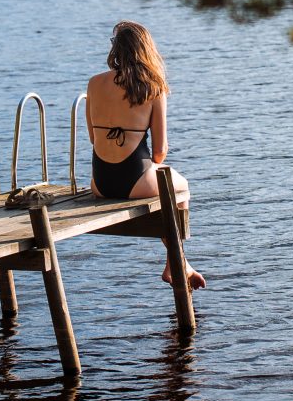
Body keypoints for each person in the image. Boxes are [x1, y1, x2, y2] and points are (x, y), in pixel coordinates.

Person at [86, 20, 206, 290]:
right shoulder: (154, 88)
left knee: (166, 189)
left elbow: (94, 139)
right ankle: (173, 263)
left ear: (116, 49)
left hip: (101, 182)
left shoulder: (94, 84)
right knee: (181, 189)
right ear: (147, 50)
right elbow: (160, 152)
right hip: (135, 179)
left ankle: (181, 264)